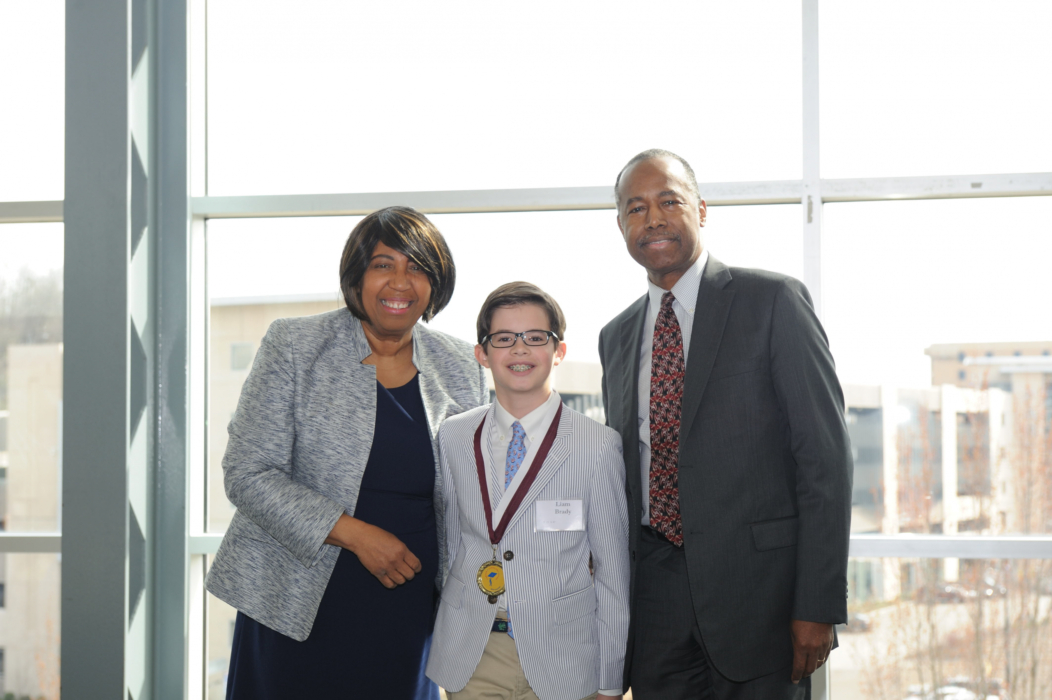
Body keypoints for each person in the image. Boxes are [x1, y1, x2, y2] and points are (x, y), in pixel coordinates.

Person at [597, 150, 853, 700]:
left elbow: (825, 460)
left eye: (669, 201)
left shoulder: (773, 301)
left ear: (701, 210)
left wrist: (817, 603)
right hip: (654, 605)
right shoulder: (615, 337)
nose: (653, 218)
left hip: (760, 600)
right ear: (620, 225)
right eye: (636, 208)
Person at [205, 206, 487, 699]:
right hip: (295, 603)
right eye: (383, 265)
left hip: (409, 612)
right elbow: (247, 473)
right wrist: (357, 536)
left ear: (436, 283)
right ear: (356, 276)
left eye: (417, 268)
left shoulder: (462, 363)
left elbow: (477, 490)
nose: (400, 282)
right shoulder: (296, 345)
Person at [426, 282, 630, 700]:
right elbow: (451, 544)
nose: (520, 349)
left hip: (565, 657)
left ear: (559, 351)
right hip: (475, 653)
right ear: (482, 354)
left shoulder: (597, 445)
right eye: (503, 338)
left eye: (536, 337)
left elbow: (613, 574)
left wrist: (610, 681)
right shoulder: (454, 436)